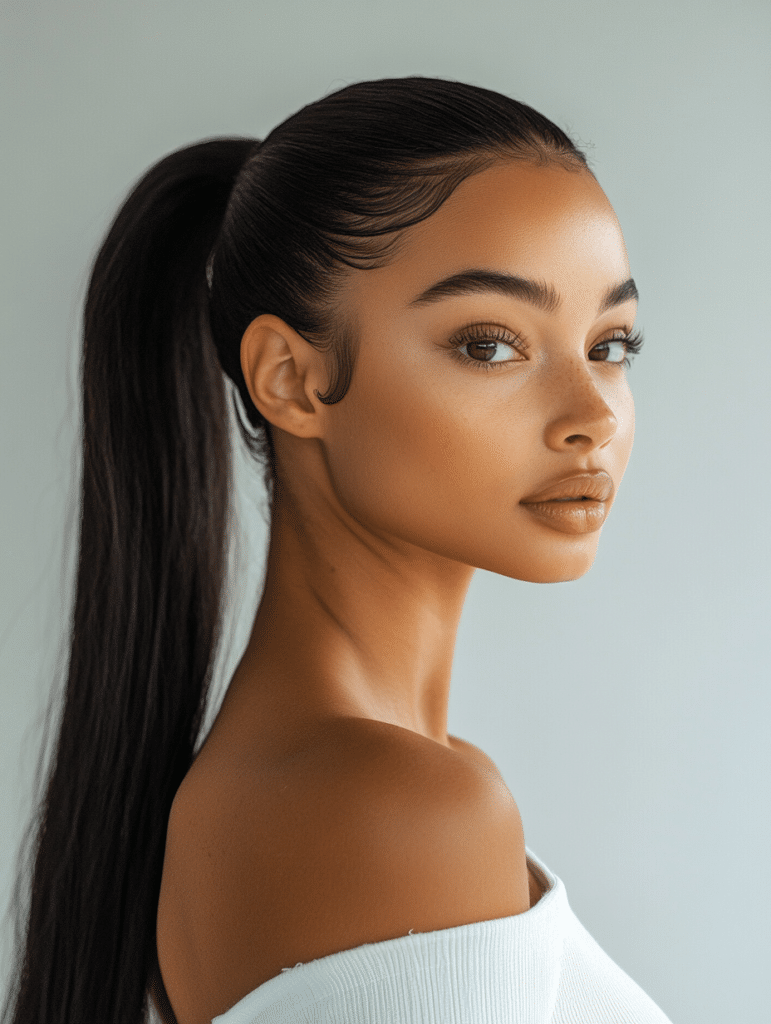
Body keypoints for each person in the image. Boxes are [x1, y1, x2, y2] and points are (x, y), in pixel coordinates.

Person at [2, 77, 673, 1024]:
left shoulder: (322, 785)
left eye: (611, 344)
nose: (592, 416)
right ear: (293, 379)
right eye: (489, 344)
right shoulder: (390, 808)